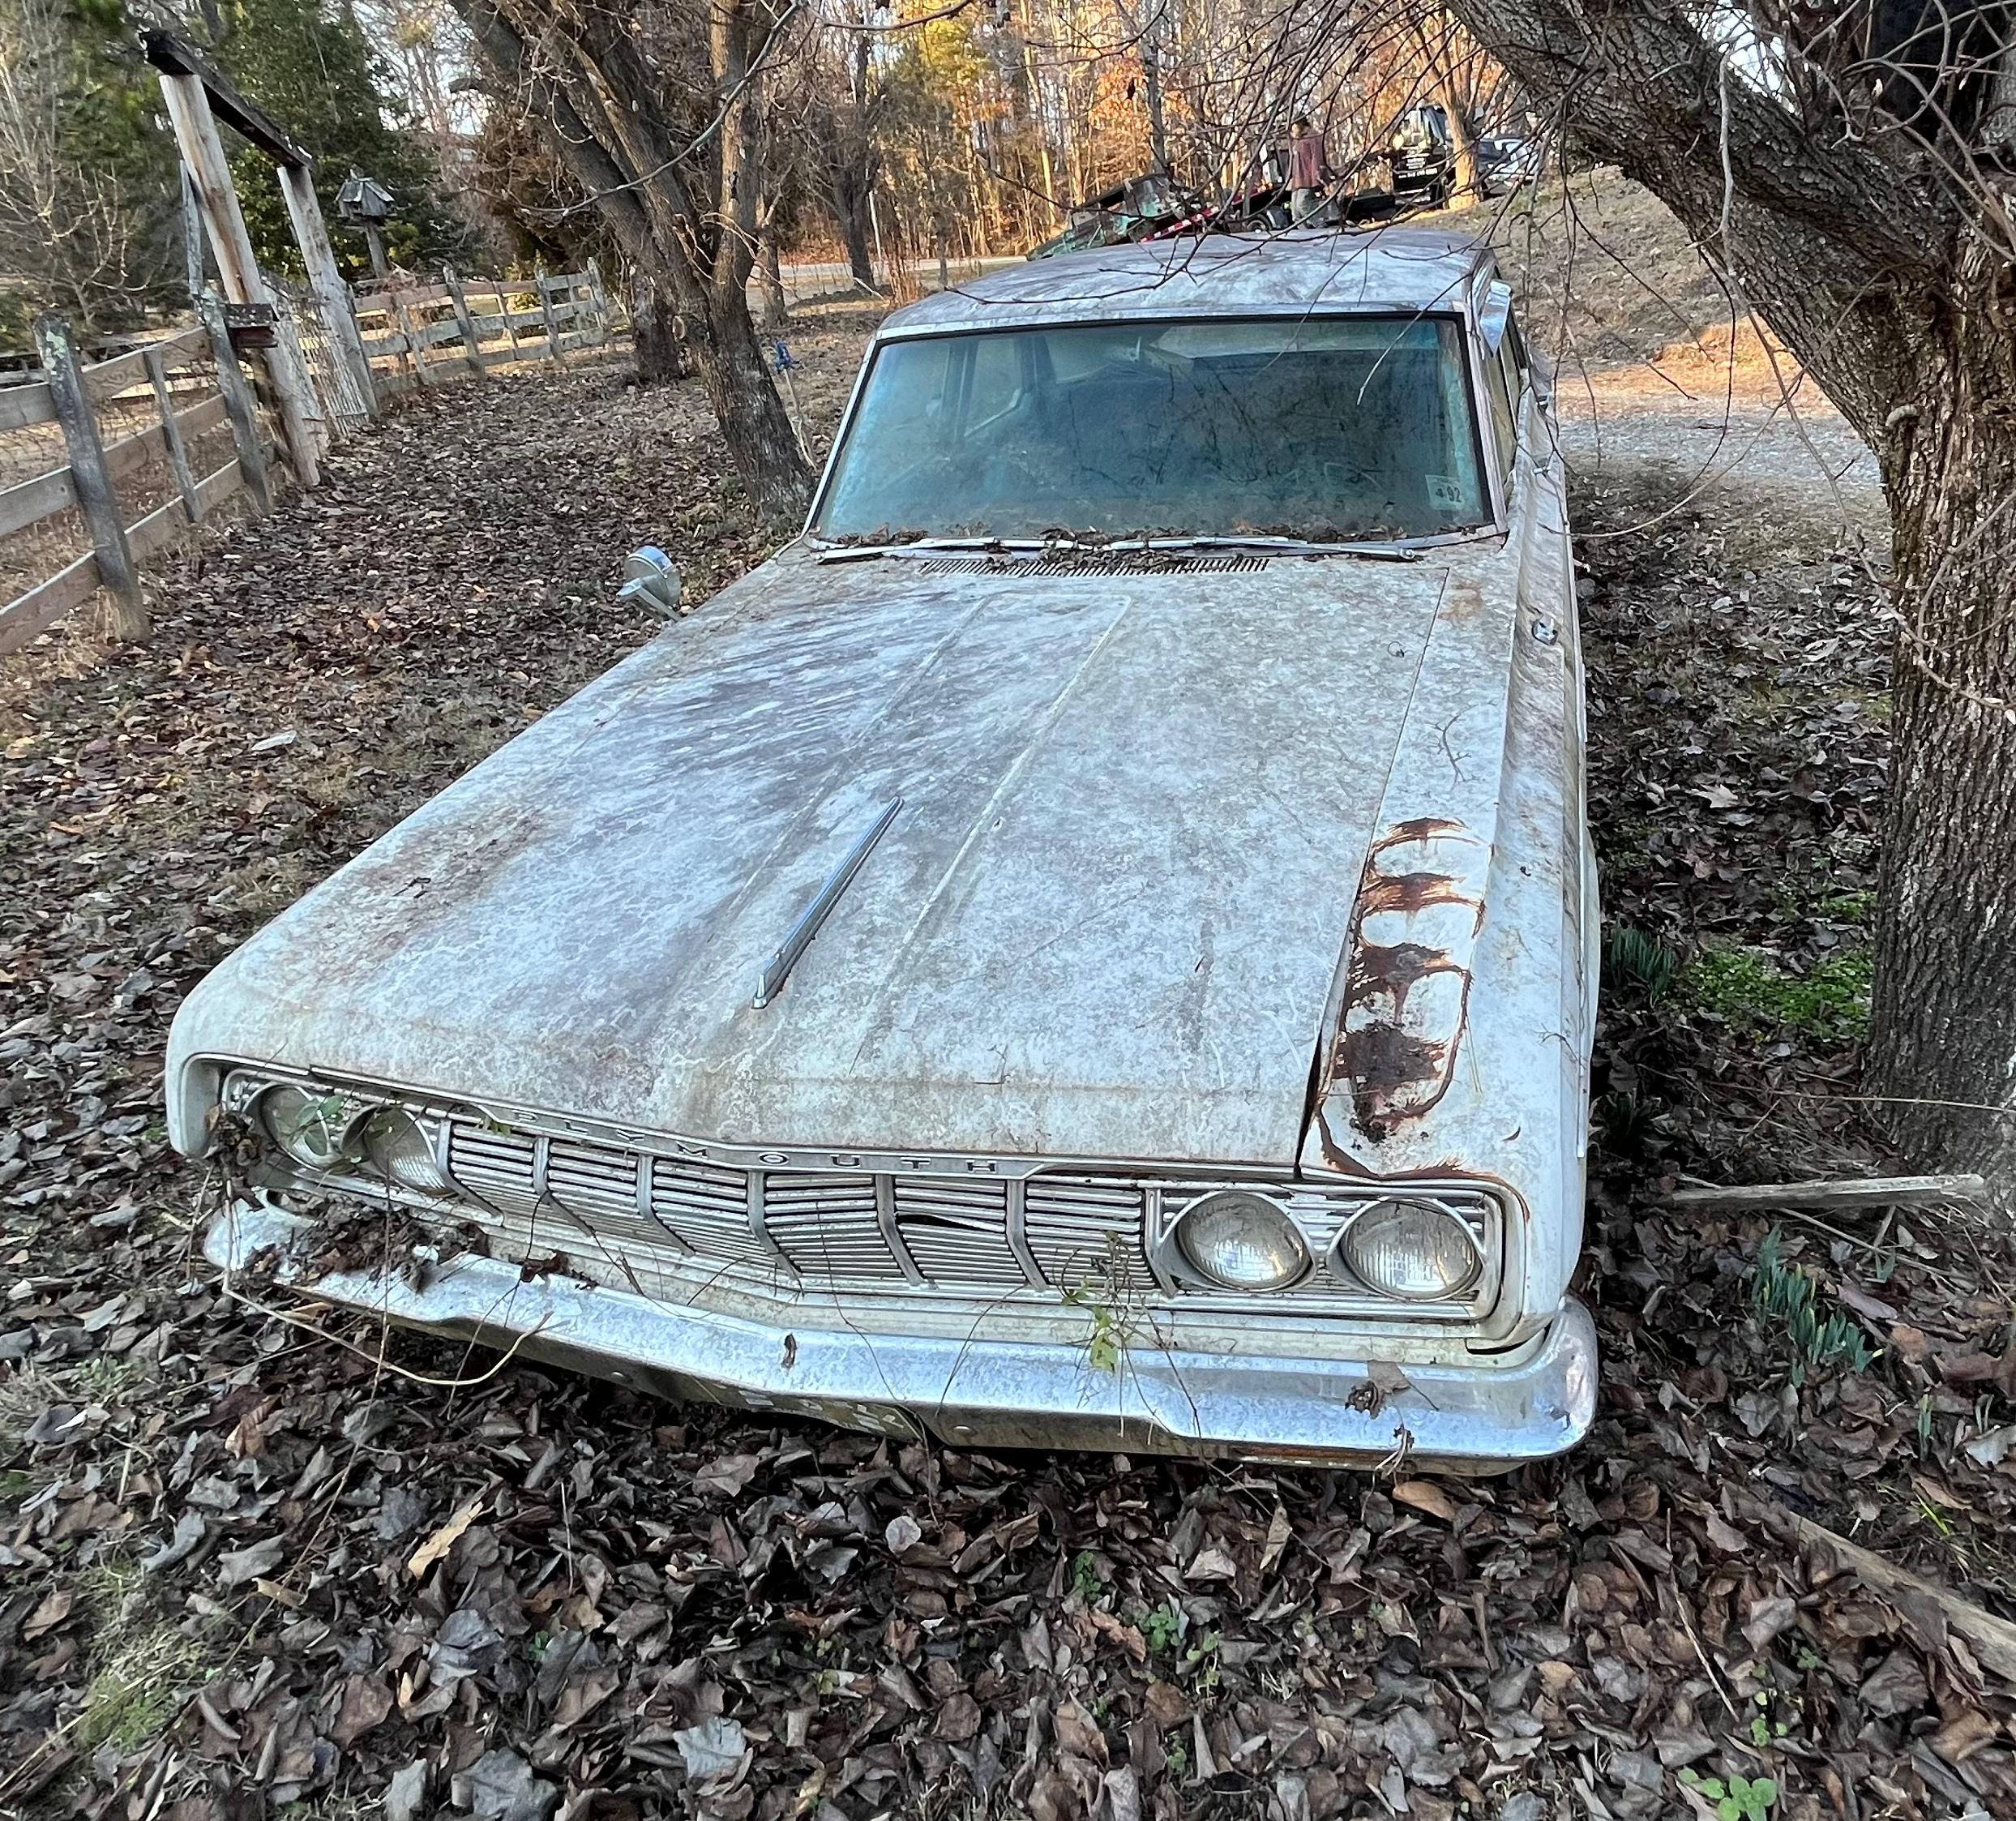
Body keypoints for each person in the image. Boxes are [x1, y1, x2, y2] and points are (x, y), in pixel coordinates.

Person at [1287, 117, 1329, 225]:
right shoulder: (1297, 140)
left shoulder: (1312, 137)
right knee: (1295, 213)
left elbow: (1316, 157)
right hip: (1297, 179)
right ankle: (1302, 236)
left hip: (1307, 178)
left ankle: (1319, 224)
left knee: (1302, 205)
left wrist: (1317, 174)